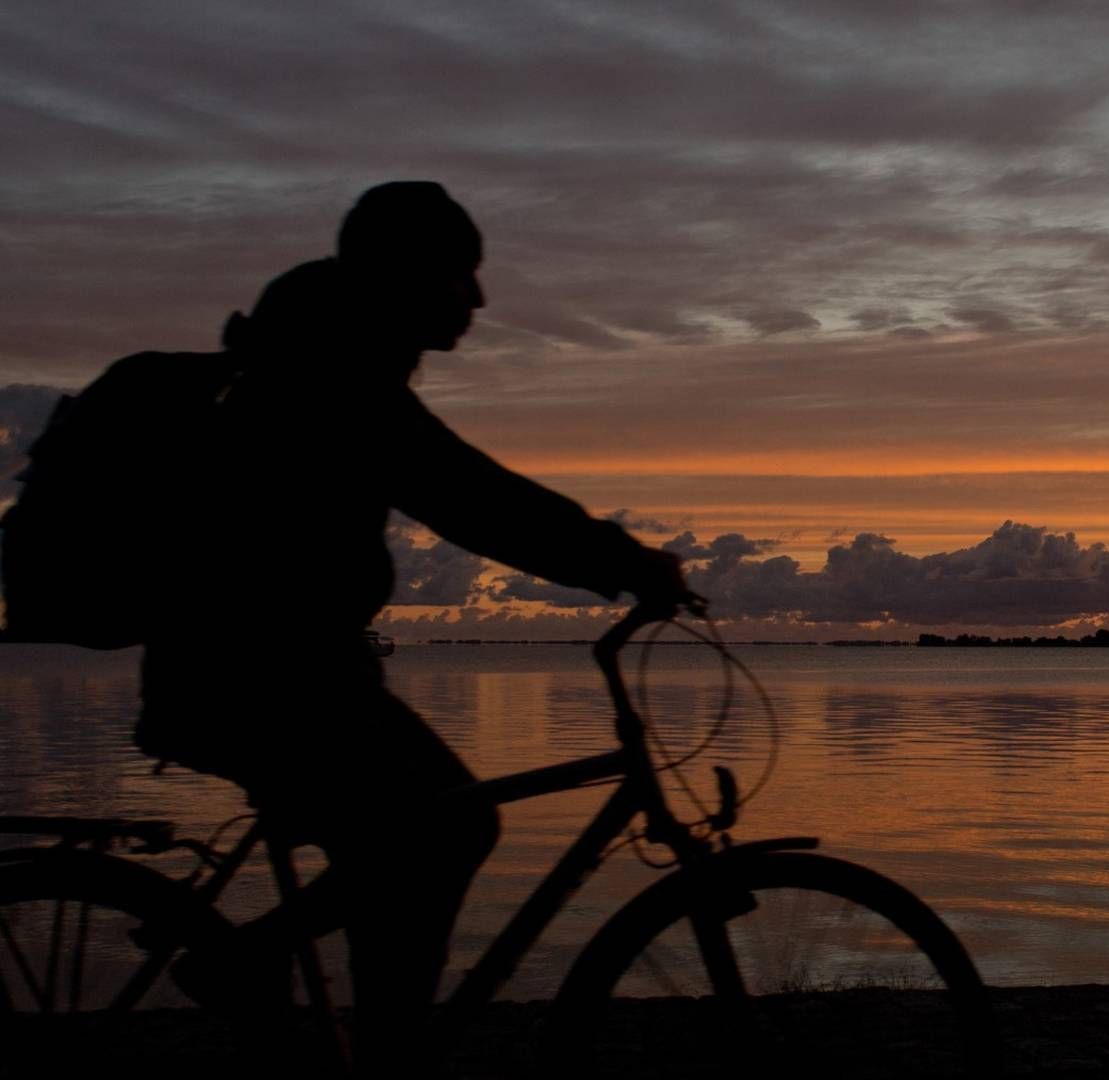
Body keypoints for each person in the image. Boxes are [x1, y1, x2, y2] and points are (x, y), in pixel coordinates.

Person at [133, 181, 691, 1073]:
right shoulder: (330, 375)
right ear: (402, 276)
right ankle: (299, 997)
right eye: (459, 274)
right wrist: (627, 564)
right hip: (256, 681)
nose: (477, 298)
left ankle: (295, 989)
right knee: (443, 831)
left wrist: (608, 562)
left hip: (271, 674)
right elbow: (472, 497)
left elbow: (461, 489)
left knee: (424, 836)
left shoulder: (320, 359)